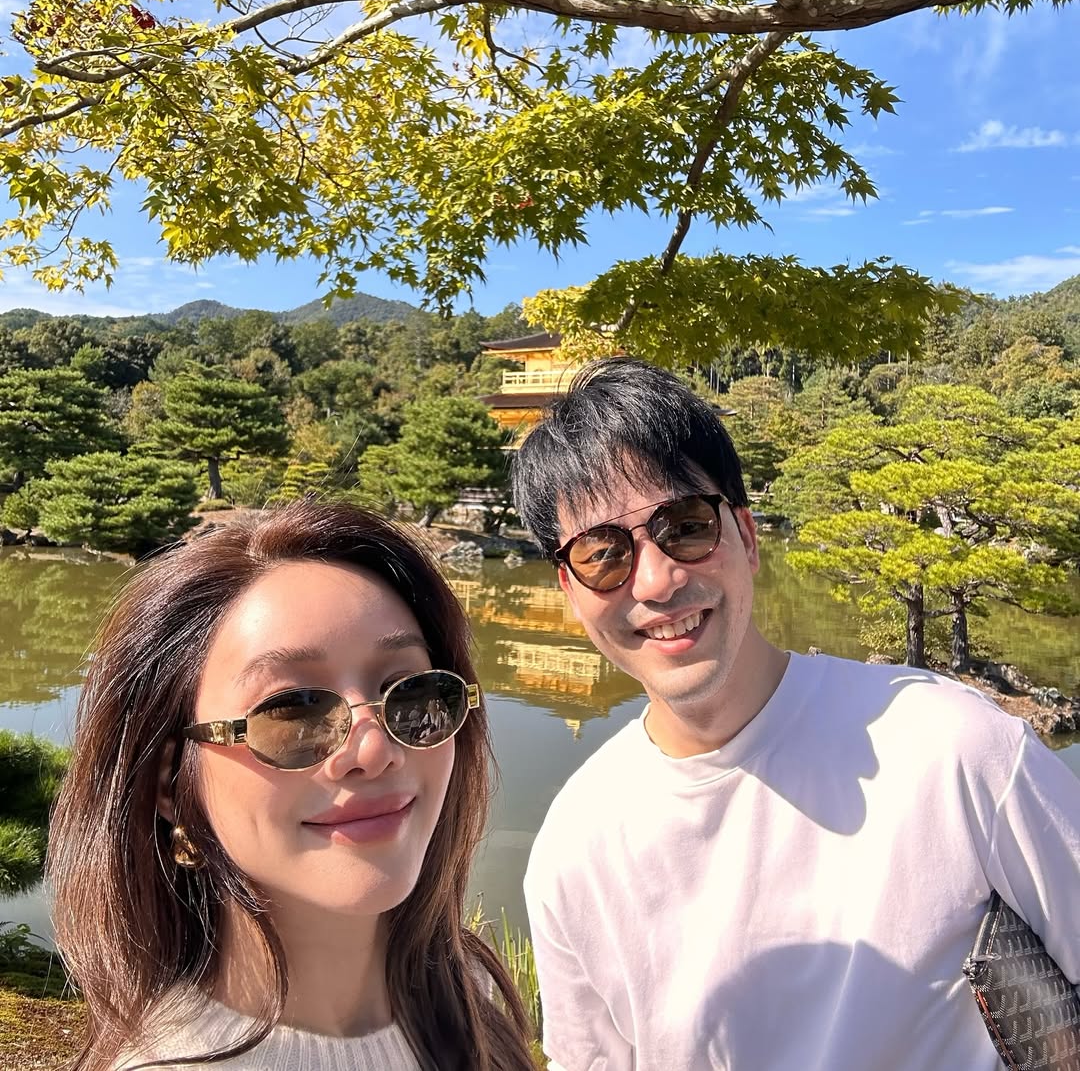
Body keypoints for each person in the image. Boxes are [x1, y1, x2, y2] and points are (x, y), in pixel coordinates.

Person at [511, 357, 1080, 1071]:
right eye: (603, 554)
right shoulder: (575, 846)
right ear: (570, 590)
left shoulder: (955, 748)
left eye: (685, 526)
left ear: (746, 538)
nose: (655, 580)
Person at [48, 499, 536, 1071]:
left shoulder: (467, 992)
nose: (374, 750)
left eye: (409, 690)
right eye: (292, 711)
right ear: (171, 781)